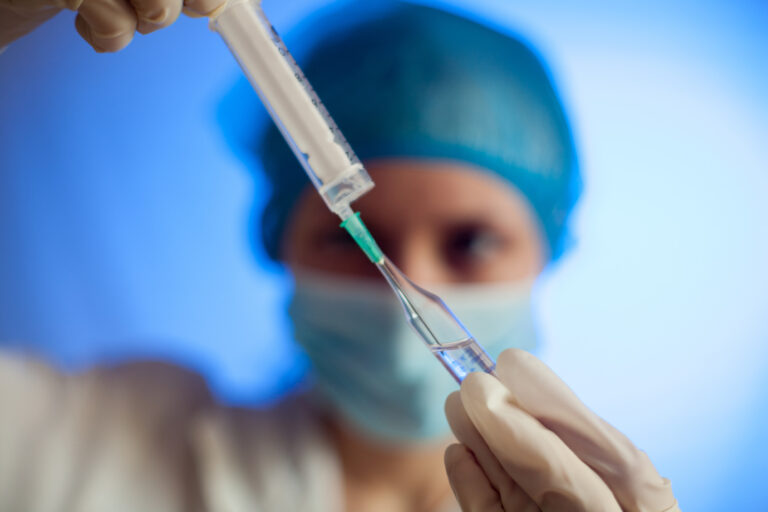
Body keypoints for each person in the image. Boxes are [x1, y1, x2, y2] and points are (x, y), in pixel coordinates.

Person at [0, 2, 679, 511]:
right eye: (350, 237)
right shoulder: (82, 446)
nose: (406, 286)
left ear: (548, 246)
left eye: (470, 242)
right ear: (277, 240)